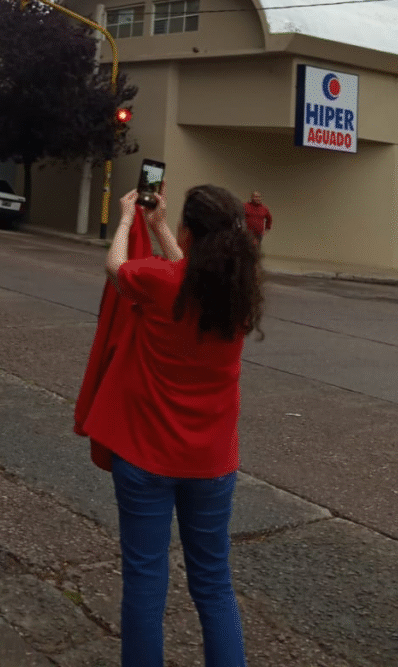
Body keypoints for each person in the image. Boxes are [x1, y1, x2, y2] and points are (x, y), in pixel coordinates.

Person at [76, 183, 262, 667]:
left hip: (145, 456)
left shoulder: (160, 282)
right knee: (214, 584)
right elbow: (192, 274)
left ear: (190, 232)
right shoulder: (236, 296)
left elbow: (116, 267)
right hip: (212, 464)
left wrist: (126, 220)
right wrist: (160, 227)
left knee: (145, 580)